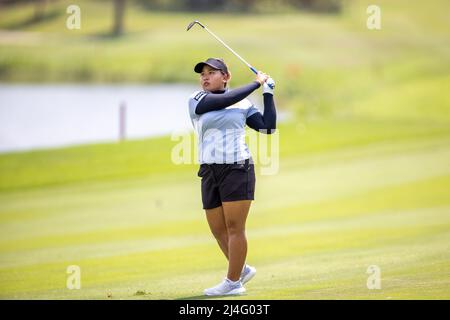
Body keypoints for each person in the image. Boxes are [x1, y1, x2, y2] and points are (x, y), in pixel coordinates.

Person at [188, 58, 277, 296]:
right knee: (218, 229)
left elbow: (268, 127)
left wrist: (268, 94)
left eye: (211, 73)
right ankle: (242, 269)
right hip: (209, 170)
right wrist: (257, 82)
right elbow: (225, 99)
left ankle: (233, 282)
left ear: (226, 76)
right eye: (202, 74)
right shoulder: (197, 100)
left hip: (237, 168)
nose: (205, 77)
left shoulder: (244, 104)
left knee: (234, 227)